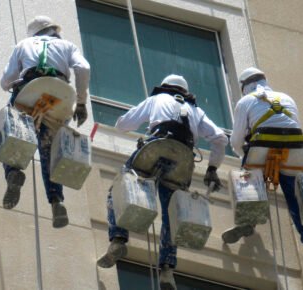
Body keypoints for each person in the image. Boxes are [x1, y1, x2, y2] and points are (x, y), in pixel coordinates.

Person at [96, 74, 228, 290]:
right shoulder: (197, 110)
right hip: (183, 159)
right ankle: (167, 268)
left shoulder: (157, 100)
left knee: (119, 187)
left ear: (165, 87)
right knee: (171, 214)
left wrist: (120, 123)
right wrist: (212, 169)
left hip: (156, 148)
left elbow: (123, 125)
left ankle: (118, 240)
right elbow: (221, 139)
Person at [0, 15, 90, 228]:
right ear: (53, 30)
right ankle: (56, 200)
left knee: (12, 130)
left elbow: (6, 81)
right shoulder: (67, 45)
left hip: (30, 91)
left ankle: (13, 173)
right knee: (49, 152)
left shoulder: (23, 44)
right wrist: (81, 102)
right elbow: (83, 68)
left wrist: (11, 85)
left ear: (35, 33)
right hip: (60, 95)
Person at [224, 67, 303, 259]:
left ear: (245, 86)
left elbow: (236, 141)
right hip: (296, 147)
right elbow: (294, 125)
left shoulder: (246, 101)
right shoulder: (287, 98)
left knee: (251, 179)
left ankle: (248, 221)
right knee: (295, 193)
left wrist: (244, 157)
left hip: (262, 145)